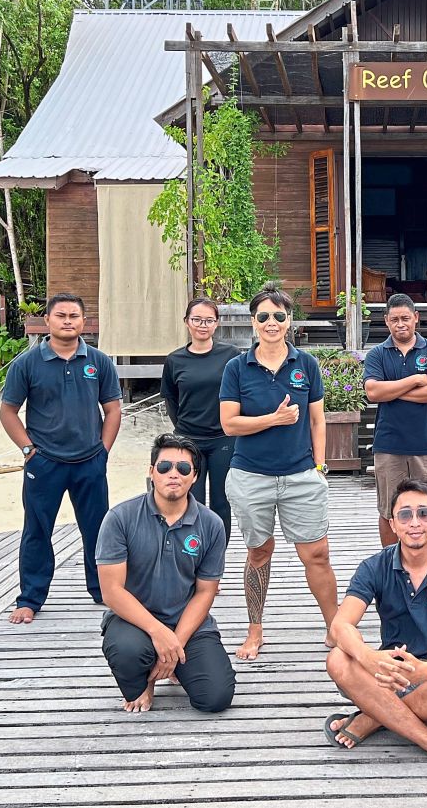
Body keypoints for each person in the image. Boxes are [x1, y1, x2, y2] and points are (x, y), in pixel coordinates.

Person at [325, 477, 427, 771]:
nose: (415, 523)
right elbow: (340, 626)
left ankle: (373, 717)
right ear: (392, 523)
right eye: (405, 514)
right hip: (387, 674)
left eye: (424, 514)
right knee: (339, 657)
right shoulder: (374, 566)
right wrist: (368, 657)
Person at [220, 282, 338, 660]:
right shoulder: (237, 368)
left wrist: (319, 466)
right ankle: (255, 630)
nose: (272, 322)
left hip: (301, 474)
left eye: (279, 315)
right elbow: (229, 425)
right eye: (264, 316)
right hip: (251, 475)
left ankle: (335, 628)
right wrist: (274, 419)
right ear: (254, 322)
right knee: (259, 552)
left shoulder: (306, 365)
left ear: (290, 321)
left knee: (317, 554)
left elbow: (319, 421)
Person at [0, 293, 122, 624]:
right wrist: (28, 451)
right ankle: (30, 598)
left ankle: (104, 592)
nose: (68, 321)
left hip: (90, 461)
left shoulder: (99, 361)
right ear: (48, 321)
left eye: (74, 316)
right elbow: (9, 412)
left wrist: (104, 451)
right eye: (61, 315)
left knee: (98, 530)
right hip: (45, 463)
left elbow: (112, 409)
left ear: (84, 322)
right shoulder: (27, 363)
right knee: (37, 530)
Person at [96, 433, 235, 714]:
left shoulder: (211, 524)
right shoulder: (120, 518)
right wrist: (159, 632)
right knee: (128, 652)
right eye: (164, 467)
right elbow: (111, 592)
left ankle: (175, 666)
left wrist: (176, 643)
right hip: (133, 621)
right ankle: (145, 682)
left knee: (216, 697)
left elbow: (206, 591)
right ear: (151, 472)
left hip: (186, 623)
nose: (174, 474)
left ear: (195, 476)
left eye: (184, 469)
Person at [363, 294, 427, 547]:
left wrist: (393, 392)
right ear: (386, 322)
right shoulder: (377, 354)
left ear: (416, 318)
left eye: (405, 318)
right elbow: (373, 392)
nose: (401, 324)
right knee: (389, 508)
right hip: (389, 445)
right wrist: (415, 380)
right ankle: (392, 566)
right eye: (394, 319)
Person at [161, 297, 239, 542]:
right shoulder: (175, 360)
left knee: (221, 501)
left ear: (216, 324)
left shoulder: (231, 355)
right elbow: (171, 400)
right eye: (197, 319)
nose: (202, 325)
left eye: (209, 320)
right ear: (187, 322)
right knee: (189, 499)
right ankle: (190, 551)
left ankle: (217, 553)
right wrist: (182, 429)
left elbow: (239, 393)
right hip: (187, 440)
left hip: (222, 438)